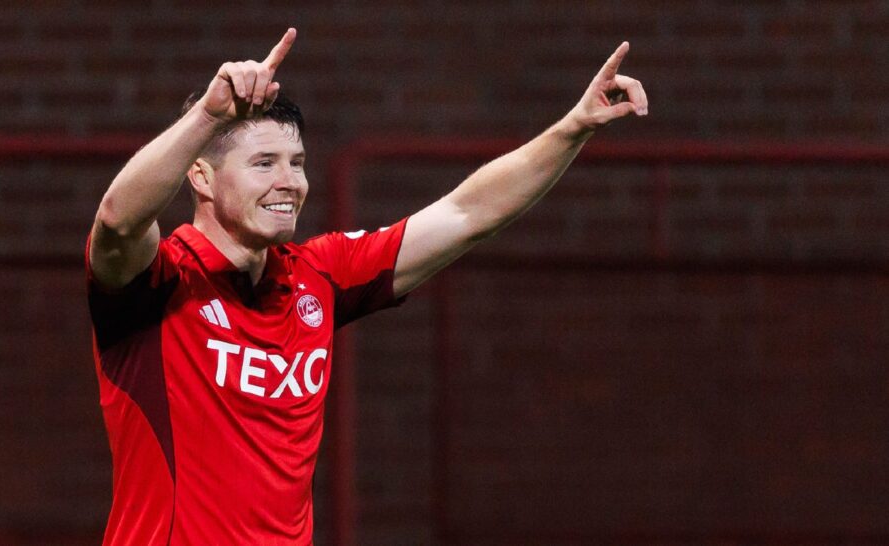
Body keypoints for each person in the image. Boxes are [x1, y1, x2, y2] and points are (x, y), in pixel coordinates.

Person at [85, 27, 647, 545]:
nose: (290, 183)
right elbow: (117, 219)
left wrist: (573, 128)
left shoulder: (317, 274)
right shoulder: (159, 281)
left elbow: (468, 213)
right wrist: (209, 116)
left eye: (297, 162)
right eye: (263, 163)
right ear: (202, 177)